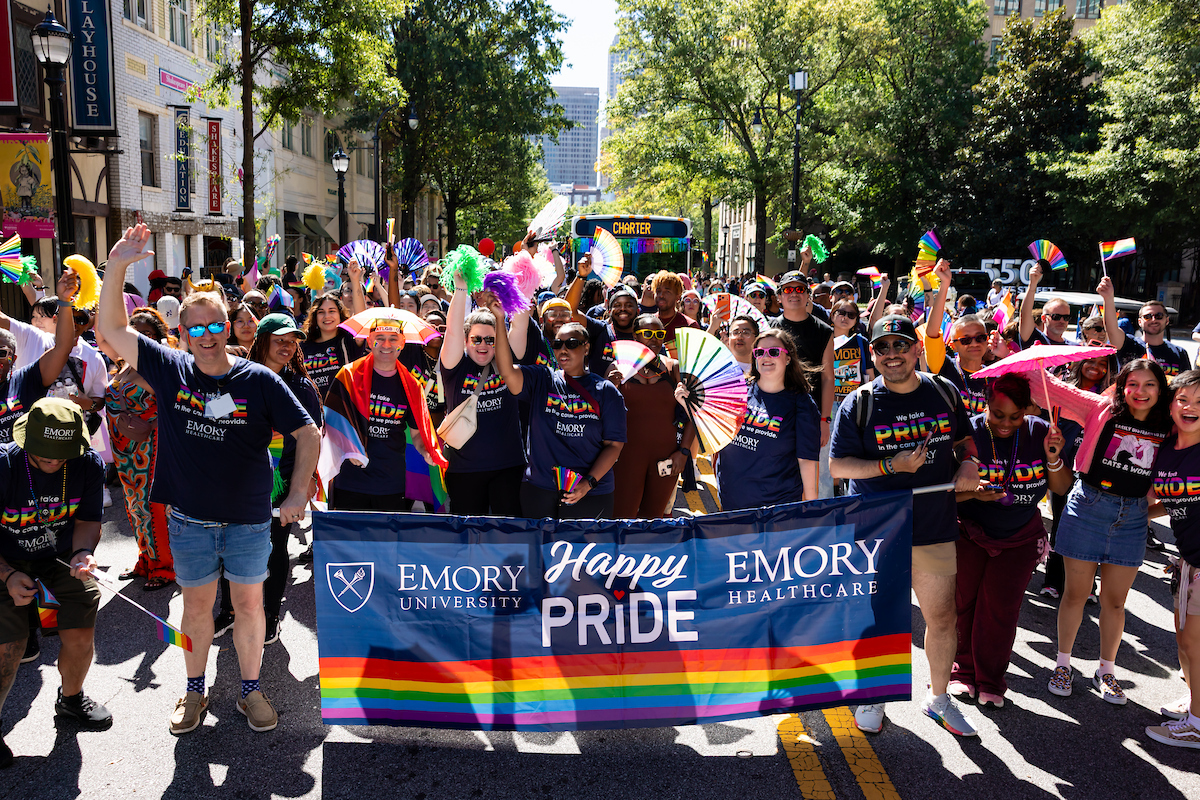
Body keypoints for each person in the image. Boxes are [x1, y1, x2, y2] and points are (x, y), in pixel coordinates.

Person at [97, 223, 321, 735]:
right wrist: (117, 266)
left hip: (248, 522)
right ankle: (195, 691)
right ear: (182, 334)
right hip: (189, 521)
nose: (206, 335)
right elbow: (110, 328)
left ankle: (250, 690)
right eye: (194, 328)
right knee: (197, 610)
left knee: (249, 607)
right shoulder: (169, 367)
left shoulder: (258, 380)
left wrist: (297, 492)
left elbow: (308, 433)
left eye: (215, 324)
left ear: (229, 325)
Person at [830, 314, 981, 737]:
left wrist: (969, 462)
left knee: (942, 617)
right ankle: (872, 694)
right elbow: (838, 466)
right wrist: (889, 465)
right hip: (876, 530)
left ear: (917, 348)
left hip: (933, 524)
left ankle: (939, 699)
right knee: (878, 618)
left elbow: (963, 440)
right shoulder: (858, 402)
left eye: (900, 345)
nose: (892, 354)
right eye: (883, 347)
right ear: (873, 354)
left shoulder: (944, 390)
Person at [1027, 358, 1172, 705]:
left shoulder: (1168, 425)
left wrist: (1146, 512)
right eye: (1132, 383)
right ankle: (1063, 665)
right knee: (1075, 595)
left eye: (1149, 384)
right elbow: (1049, 390)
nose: (1140, 391)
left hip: (1132, 517)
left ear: (1160, 389)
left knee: (1115, 602)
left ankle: (1106, 671)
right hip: (1088, 508)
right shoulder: (1101, 408)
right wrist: (1031, 360)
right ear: (1121, 386)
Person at [0, 398, 110, 760]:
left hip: (60, 558)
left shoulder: (87, 463)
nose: (53, 461)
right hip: (5, 560)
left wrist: (83, 553)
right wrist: (9, 575)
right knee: (9, 646)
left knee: (80, 629)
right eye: (44, 453)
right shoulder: (4, 465)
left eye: (61, 454)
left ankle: (71, 699)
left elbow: (88, 520)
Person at [951, 375, 1070, 708]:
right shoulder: (968, 433)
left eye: (1015, 416)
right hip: (970, 533)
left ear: (1027, 409)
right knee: (965, 604)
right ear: (986, 404)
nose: (1005, 424)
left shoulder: (1042, 432)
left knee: (1001, 611)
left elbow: (1061, 487)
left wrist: (1053, 457)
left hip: (1020, 537)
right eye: (997, 414)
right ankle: (962, 672)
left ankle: (991, 680)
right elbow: (945, 495)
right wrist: (973, 494)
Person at [215, 314, 324, 645]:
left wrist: (304, 484)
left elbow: (312, 438)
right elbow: (214, 418)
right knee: (230, 548)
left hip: (282, 481)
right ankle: (229, 611)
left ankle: (271, 614)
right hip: (236, 480)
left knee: (275, 548)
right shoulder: (237, 379)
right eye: (280, 340)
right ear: (261, 342)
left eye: (292, 342)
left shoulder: (301, 387)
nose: (287, 347)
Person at [494, 318, 627, 520]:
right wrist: (499, 319)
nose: (563, 350)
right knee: (540, 542)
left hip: (591, 492)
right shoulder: (542, 378)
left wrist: (588, 483)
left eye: (572, 344)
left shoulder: (606, 391)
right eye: (557, 344)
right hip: (540, 488)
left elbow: (614, 445)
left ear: (586, 348)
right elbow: (507, 372)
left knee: (581, 543)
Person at [325, 316, 442, 512]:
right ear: (370, 341)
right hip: (351, 481)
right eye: (380, 338)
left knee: (388, 534)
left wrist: (426, 450)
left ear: (402, 343)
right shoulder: (348, 376)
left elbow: (416, 433)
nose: (387, 344)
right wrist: (349, 446)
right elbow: (330, 423)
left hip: (391, 484)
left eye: (393, 339)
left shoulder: (412, 385)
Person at [700, 329, 819, 511]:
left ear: (788, 358)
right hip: (732, 504)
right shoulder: (737, 391)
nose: (766, 357)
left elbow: (807, 461)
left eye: (774, 352)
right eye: (760, 352)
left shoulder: (801, 403)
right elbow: (713, 435)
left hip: (776, 510)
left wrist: (811, 509)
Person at [100, 308, 175, 590]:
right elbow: (103, 334)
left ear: (158, 337)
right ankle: (145, 559)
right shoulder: (123, 365)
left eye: (148, 334)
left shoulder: (162, 366)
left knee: (152, 506)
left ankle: (164, 567)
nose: (142, 338)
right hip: (125, 451)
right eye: (136, 332)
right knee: (134, 506)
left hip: (151, 448)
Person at [1145, 370, 1200, 747]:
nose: (1190, 407)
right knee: (1184, 641)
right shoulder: (1166, 448)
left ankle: (1196, 724)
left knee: (1195, 642)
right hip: (1187, 558)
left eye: (1199, 401)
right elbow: (1176, 498)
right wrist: (1140, 515)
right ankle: (1196, 702)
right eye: (1183, 399)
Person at [438, 290, 527, 516]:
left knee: (507, 532)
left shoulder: (506, 363)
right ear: (466, 341)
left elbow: (520, 326)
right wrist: (460, 289)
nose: (483, 345)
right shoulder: (455, 366)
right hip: (464, 470)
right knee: (468, 533)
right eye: (476, 339)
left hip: (507, 467)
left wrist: (522, 284)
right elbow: (453, 331)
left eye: (490, 340)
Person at [612, 315, 696, 519]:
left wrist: (684, 452)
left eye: (659, 334)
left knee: (654, 519)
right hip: (626, 457)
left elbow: (694, 414)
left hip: (666, 458)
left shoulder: (675, 368)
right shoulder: (618, 368)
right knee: (622, 518)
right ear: (635, 336)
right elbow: (602, 414)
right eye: (648, 334)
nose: (654, 339)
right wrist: (610, 387)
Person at [772, 270, 835, 497]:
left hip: (811, 413)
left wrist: (825, 419)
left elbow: (828, 377)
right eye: (788, 289)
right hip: (777, 411)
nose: (794, 294)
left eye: (800, 289)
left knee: (818, 478)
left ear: (808, 295)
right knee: (779, 470)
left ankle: (817, 517)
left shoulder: (824, 330)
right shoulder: (770, 329)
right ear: (779, 296)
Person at [925, 263, 991, 416]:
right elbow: (932, 332)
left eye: (980, 338)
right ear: (953, 345)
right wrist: (945, 285)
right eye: (965, 340)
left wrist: (1006, 353)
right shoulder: (944, 367)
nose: (974, 343)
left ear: (987, 340)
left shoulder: (994, 375)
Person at [1098, 278, 1191, 378]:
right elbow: (1112, 330)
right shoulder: (1129, 344)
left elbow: (1186, 383)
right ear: (1140, 322)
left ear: (1167, 320)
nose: (1153, 320)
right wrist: (1108, 298)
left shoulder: (1179, 353)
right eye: (1147, 317)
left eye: (1159, 316)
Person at [301, 292, 366, 398]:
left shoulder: (348, 341)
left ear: (340, 314)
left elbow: (361, 318)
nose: (327, 316)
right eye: (321, 312)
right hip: (311, 406)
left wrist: (355, 282)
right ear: (315, 317)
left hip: (342, 406)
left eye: (332, 311)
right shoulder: (303, 346)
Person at [830, 300, 873, 418]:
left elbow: (870, 374)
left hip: (855, 402)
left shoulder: (861, 342)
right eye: (841, 313)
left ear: (856, 320)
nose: (845, 317)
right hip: (829, 402)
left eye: (851, 315)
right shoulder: (823, 340)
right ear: (832, 316)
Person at [1019, 262, 1075, 348]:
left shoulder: (1074, 347)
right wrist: (1032, 285)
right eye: (1056, 317)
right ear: (1043, 318)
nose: (1062, 321)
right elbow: (1025, 314)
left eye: (1066, 318)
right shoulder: (1034, 339)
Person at [651, 271, 700, 359]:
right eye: (658, 291)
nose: (661, 295)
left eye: (667, 292)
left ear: (678, 296)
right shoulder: (647, 323)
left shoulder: (689, 325)